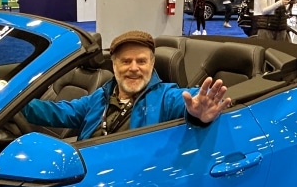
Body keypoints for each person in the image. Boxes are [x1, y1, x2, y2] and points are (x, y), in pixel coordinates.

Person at [22, 31, 232, 140]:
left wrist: (199, 111)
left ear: (152, 64)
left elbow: (190, 100)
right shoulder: (100, 96)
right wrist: (14, 103)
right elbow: (60, 112)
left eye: (141, 61)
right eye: (125, 61)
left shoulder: (164, 97)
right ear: (114, 65)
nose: (134, 68)